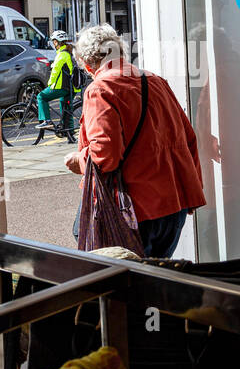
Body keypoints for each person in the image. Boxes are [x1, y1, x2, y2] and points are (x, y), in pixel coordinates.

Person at [65, 24, 206, 258]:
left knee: (128, 286)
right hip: (173, 205)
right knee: (157, 280)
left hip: (134, 210)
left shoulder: (100, 89)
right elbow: (188, 137)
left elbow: (105, 156)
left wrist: (78, 160)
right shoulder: (156, 81)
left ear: (88, 65)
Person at [36, 30, 77, 139]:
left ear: (58, 42)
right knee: (65, 108)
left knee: (41, 97)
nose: (54, 44)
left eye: (54, 42)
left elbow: (55, 72)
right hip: (71, 87)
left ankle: (47, 120)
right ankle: (69, 133)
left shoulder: (62, 55)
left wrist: (49, 84)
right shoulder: (69, 52)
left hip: (61, 87)